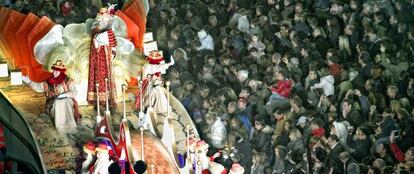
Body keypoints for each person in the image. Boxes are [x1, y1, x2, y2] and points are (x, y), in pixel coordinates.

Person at [23, 60, 80, 134]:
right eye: (53, 71)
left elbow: (74, 92)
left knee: (64, 101)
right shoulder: (48, 81)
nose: (53, 73)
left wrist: (64, 95)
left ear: (61, 72)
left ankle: (70, 126)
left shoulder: (68, 80)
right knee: (59, 102)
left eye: (56, 71)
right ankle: (61, 127)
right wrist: (29, 81)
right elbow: (38, 88)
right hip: (52, 104)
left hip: (68, 103)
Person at [87, 5, 117, 106]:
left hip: (106, 53)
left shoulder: (109, 25)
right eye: (101, 13)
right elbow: (96, 38)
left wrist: (113, 49)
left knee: (107, 75)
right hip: (98, 54)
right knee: (98, 74)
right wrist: (105, 35)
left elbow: (112, 39)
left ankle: (108, 97)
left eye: (104, 13)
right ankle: (98, 97)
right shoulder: (96, 25)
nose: (102, 15)